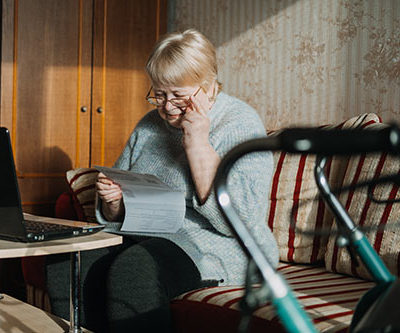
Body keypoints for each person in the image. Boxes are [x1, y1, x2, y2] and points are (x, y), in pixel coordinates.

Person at [45, 28, 278, 333]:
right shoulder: (149, 125)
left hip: (217, 243)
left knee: (135, 268)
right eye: (159, 94)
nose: (167, 107)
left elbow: (239, 220)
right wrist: (113, 201)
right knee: (67, 261)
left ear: (208, 89)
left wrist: (198, 145)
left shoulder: (240, 123)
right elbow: (116, 209)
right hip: (147, 233)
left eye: (178, 96)